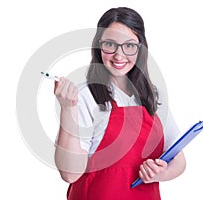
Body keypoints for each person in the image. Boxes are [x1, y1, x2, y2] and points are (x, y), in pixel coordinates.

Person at [54, 7, 186, 200]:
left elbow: (178, 159)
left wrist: (161, 173)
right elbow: (70, 174)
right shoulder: (85, 96)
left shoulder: (154, 95)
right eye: (110, 44)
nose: (119, 55)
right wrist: (68, 109)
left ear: (140, 48)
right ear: (98, 47)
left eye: (129, 45)